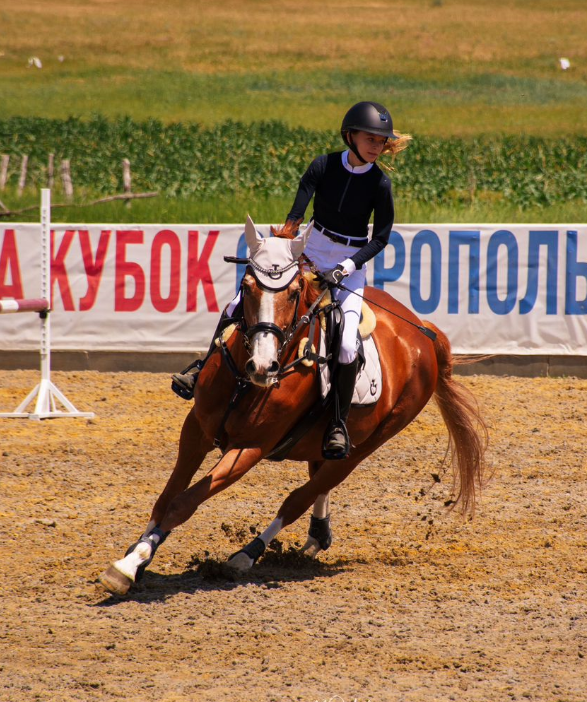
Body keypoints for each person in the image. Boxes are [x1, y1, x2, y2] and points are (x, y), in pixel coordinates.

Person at [171, 101, 411, 460]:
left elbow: (381, 238)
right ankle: (200, 369)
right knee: (236, 304)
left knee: (346, 343)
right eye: (370, 138)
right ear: (351, 136)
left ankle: (337, 424)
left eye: (381, 140)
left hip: (350, 262)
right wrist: (287, 239)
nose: (377, 145)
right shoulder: (324, 166)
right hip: (310, 249)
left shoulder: (380, 184)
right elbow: (297, 213)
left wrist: (345, 267)